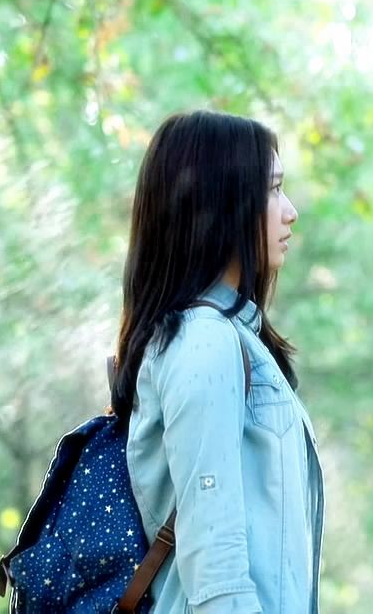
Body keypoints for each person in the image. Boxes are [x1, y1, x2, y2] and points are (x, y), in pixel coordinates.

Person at [109, 110, 323, 613]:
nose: (290, 211)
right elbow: (215, 565)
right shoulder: (205, 343)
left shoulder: (226, 338)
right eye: (273, 190)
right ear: (222, 204)